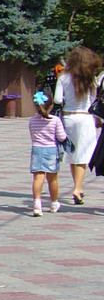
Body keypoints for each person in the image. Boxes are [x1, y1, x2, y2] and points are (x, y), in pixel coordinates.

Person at [54, 46, 103, 205]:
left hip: (68, 117)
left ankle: (78, 188)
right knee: (83, 155)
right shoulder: (90, 78)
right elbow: (94, 101)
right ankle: (78, 188)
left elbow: (57, 100)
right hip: (86, 118)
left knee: (73, 154)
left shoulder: (63, 77)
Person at [28, 90, 68, 216]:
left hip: (37, 149)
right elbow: (62, 137)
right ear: (51, 106)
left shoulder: (32, 121)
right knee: (53, 179)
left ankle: (36, 204)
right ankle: (54, 202)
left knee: (38, 178)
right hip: (51, 150)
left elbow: (32, 135)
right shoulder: (55, 120)